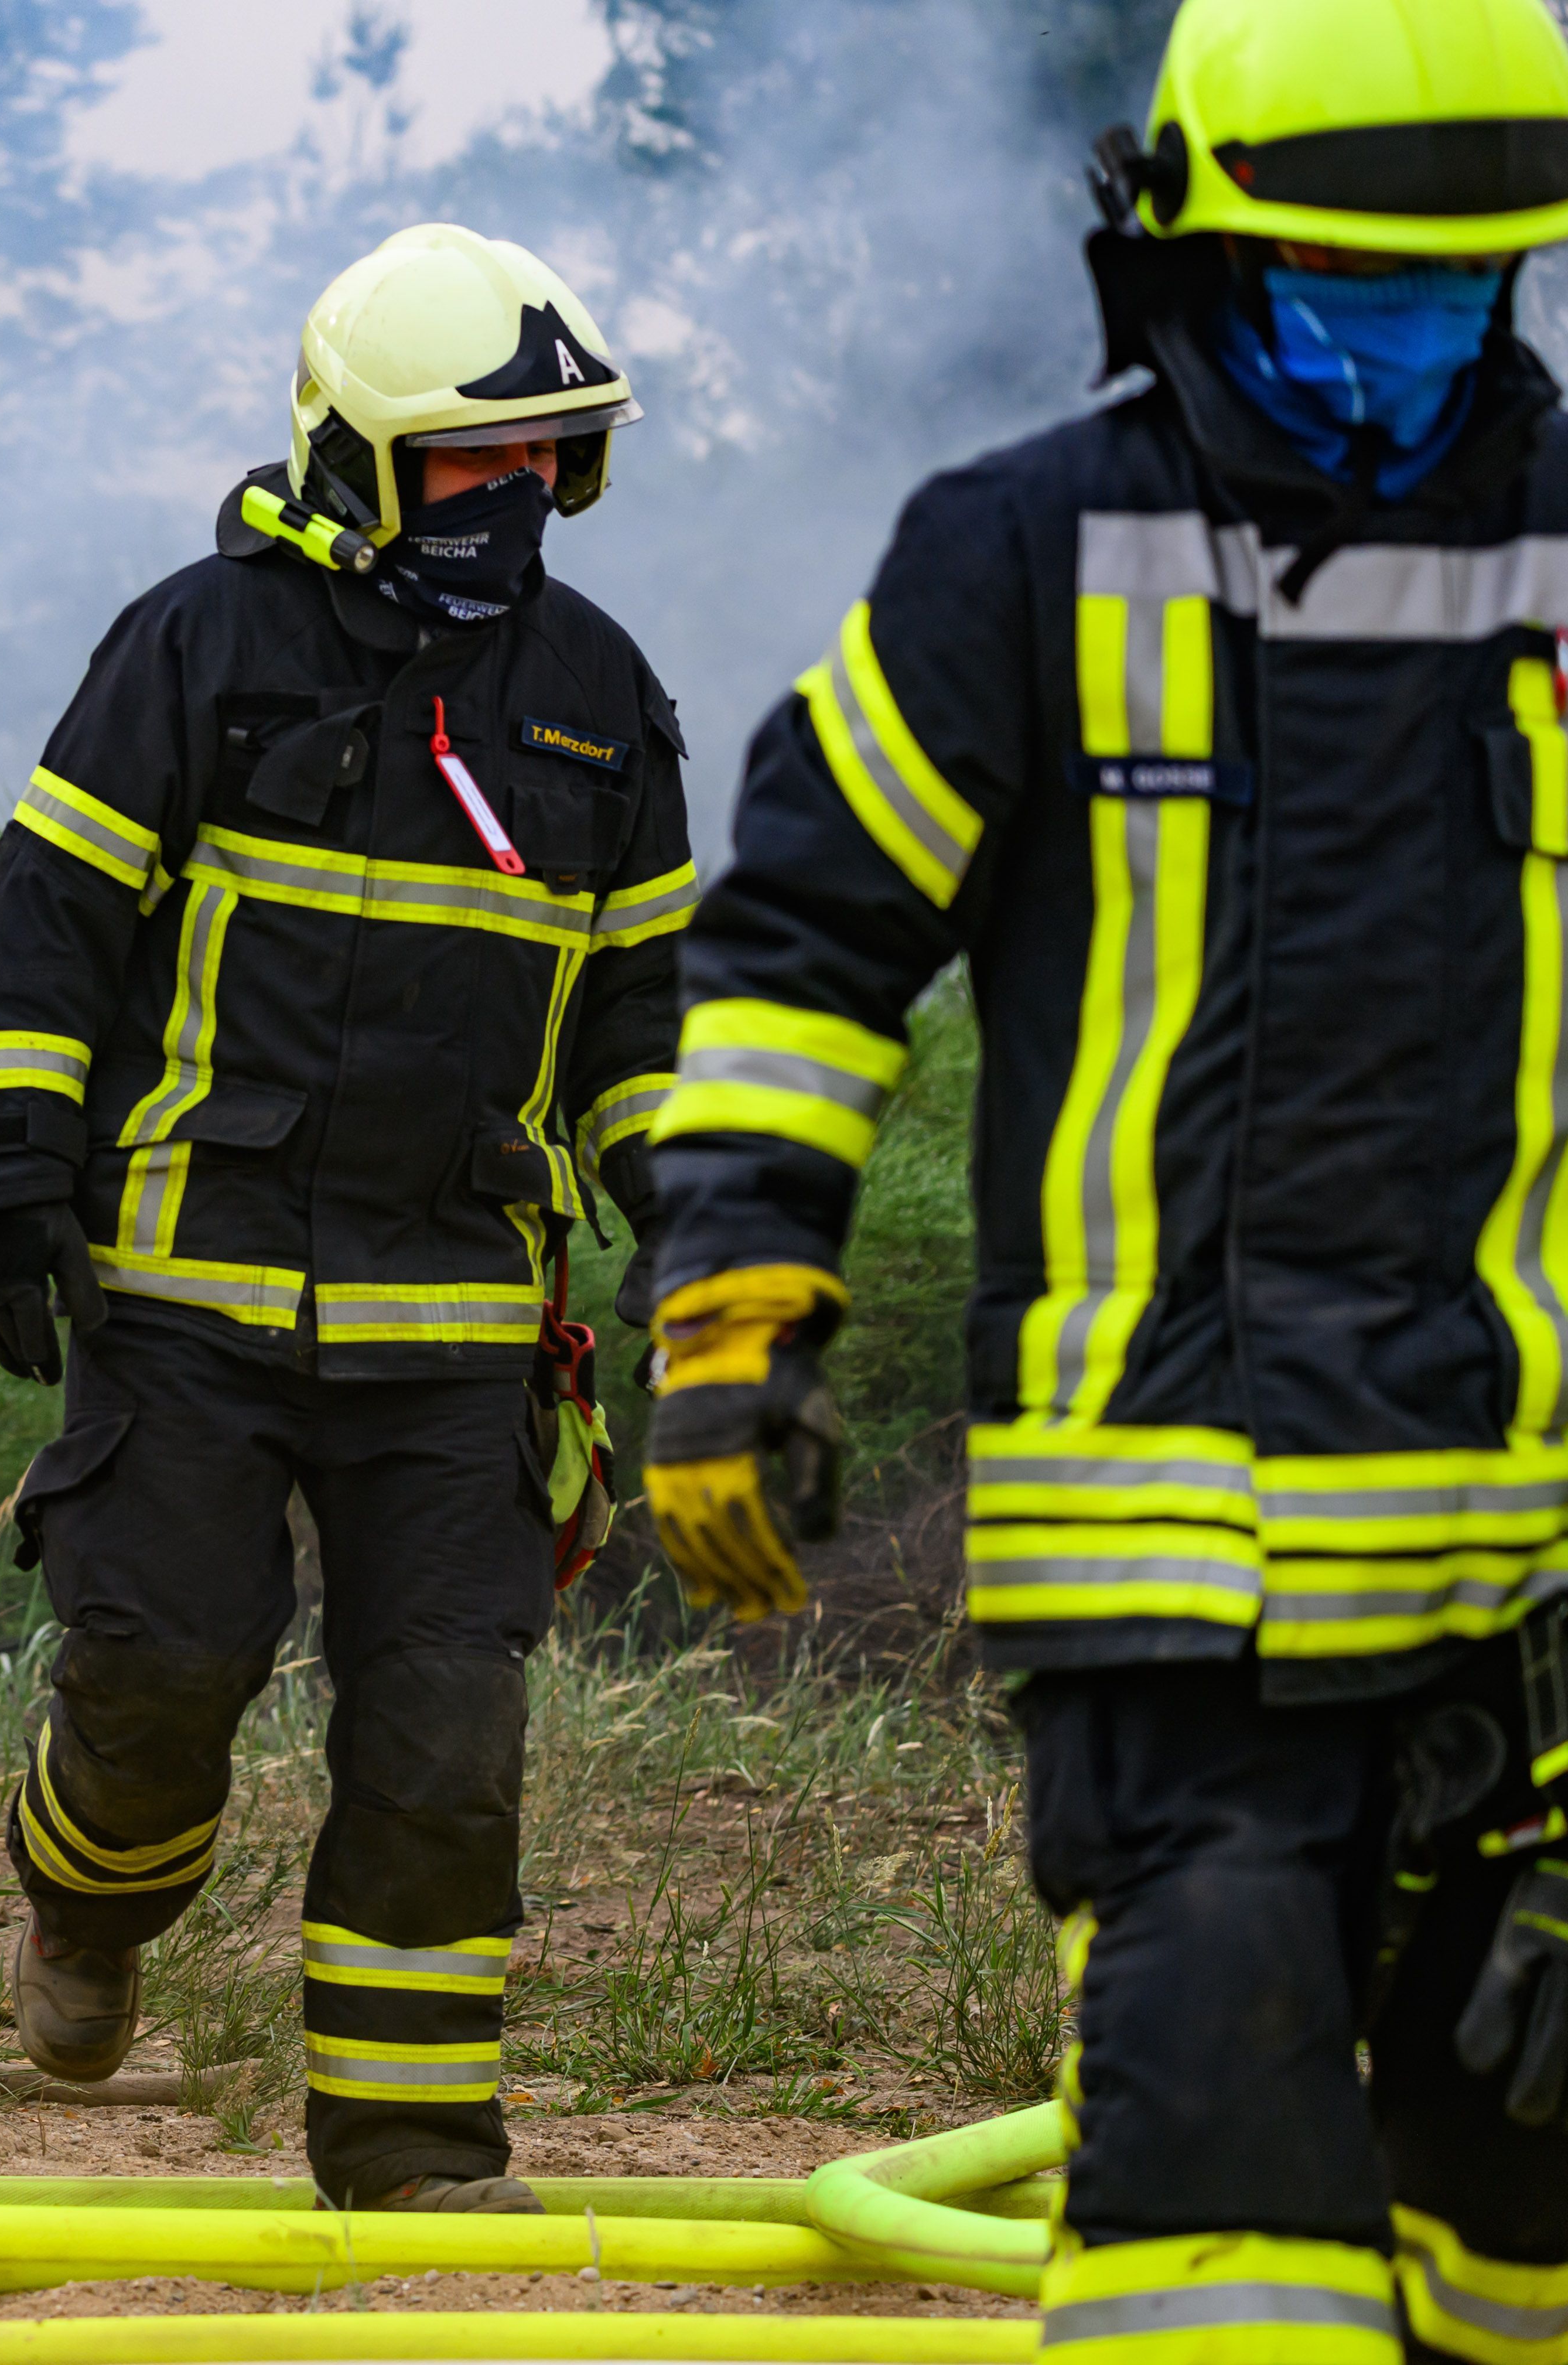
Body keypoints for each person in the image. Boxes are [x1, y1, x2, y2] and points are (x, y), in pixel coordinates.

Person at [643, 0, 1568, 2351]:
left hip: (1543, 1631)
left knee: (1516, 2273)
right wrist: (738, 1302)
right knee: (1221, 2260)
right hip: (1183, 1603)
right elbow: (803, 938)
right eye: (1348, 290)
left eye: (1459, 293)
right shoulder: (1024, 556)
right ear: (1183, 256)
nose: (1408, 355)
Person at [0, 223, 694, 2214]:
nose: (514, 497)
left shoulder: (602, 702)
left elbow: (639, 1015)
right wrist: (8, 1178)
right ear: (357, 456)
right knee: (160, 1680)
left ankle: (418, 2143)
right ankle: (85, 1910)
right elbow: (45, 933)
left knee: (447, 1733)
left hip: (454, 1323)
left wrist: (691, 1211)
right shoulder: (195, 646)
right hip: (186, 1294)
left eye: (545, 459)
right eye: (471, 461)